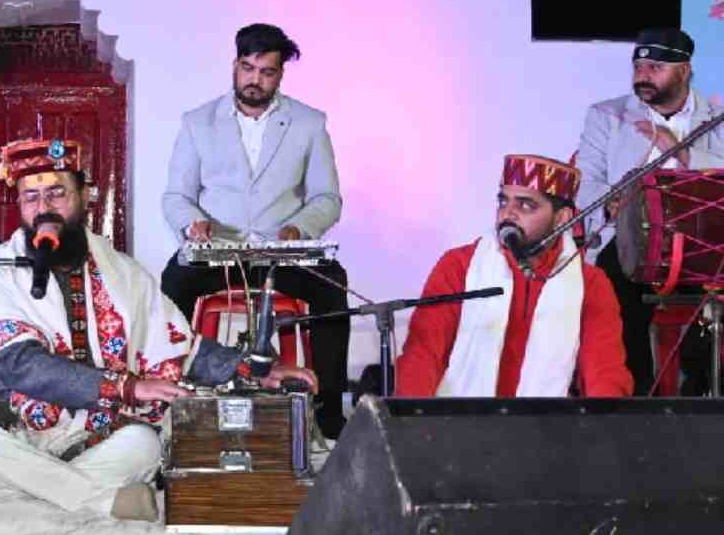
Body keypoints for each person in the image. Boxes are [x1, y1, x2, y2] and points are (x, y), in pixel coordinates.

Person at [0, 138, 317, 521]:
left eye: (57, 194)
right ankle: (100, 502)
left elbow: (179, 346)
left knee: (145, 445)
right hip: (18, 428)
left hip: (98, 432)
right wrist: (126, 387)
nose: (44, 209)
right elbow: (19, 365)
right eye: (31, 198)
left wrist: (255, 369)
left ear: (84, 196)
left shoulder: (124, 272)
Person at [159, 23, 350, 438]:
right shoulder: (198, 122)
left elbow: (327, 198)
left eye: (266, 72)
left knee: (332, 285)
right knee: (172, 283)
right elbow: (176, 196)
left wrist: (299, 228)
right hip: (218, 252)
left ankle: (329, 412)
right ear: (235, 65)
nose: (254, 80)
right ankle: (170, 399)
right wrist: (192, 224)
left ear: (280, 74)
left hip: (280, 255)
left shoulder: (309, 123)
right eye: (247, 68)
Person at [395, 154, 633, 397]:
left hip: (545, 421)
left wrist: (605, 417)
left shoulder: (589, 283)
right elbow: (422, 356)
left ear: (562, 218)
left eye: (525, 205)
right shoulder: (459, 266)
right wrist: (412, 417)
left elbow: (605, 372)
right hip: (457, 418)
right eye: (503, 202)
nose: (507, 214)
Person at [575, 27, 724, 395]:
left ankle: (702, 394)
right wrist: (610, 202)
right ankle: (634, 398)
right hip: (630, 238)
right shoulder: (607, 116)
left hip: (701, 241)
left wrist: (682, 151)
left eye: (655, 68)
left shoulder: (718, 118)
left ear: (684, 70)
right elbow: (585, 181)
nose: (642, 76)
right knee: (615, 297)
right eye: (638, 67)